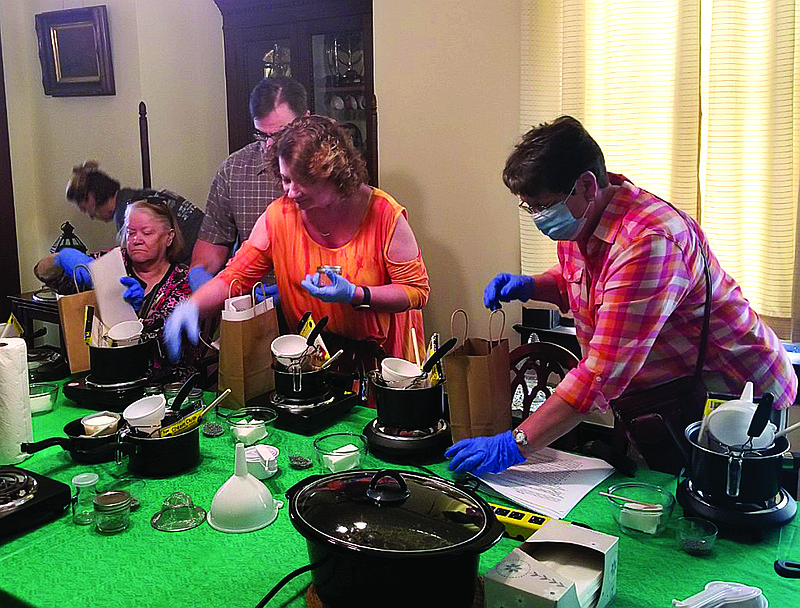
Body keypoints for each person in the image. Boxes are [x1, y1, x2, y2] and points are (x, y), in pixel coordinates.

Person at [446, 115, 798, 476]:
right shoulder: (584, 221)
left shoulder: (649, 242)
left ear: (586, 185)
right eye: (530, 207)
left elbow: (600, 374)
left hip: (735, 396)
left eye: (544, 206)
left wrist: (515, 443)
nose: (539, 217)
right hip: (668, 397)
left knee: (718, 512)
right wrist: (534, 286)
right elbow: (587, 284)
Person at [165, 115, 429, 372]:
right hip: (315, 361)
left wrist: (356, 295)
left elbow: (417, 292)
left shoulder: (383, 214)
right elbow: (235, 277)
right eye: (286, 179)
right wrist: (191, 306)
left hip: (384, 365)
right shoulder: (279, 217)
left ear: (335, 174)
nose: (291, 192)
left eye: (303, 181)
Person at [35, 198, 202, 380]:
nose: (137, 240)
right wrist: (60, 258)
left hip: (166, 384)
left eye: (147, 233)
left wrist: (132, 312)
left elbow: (173, 348)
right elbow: (43, 273)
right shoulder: (110, 263)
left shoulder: (182, 281)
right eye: (131, 233)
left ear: (169, 237)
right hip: (107, 376)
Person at [188, 75, 309, 295]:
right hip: (251, 304)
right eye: (262, 135)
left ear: (306, 120)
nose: (270, 145)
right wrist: (201, 285)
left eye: (281, 133)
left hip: (316, 302)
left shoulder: (328, 168)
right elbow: (210, 249)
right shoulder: (234, 170)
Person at [65, 161, 204, 266]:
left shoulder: (127, 214)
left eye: (85, 209)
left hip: (198, 261)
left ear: (91, 197)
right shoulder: (139, 196)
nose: (90, 216)